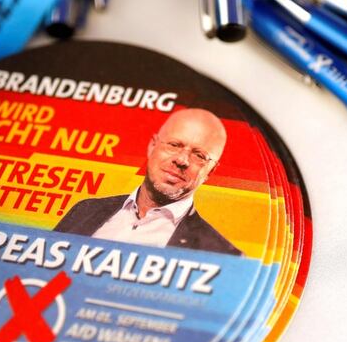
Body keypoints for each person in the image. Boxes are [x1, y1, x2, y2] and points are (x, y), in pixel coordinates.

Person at [54, 108, 242, 256]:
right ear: (152, 146)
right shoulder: (85, 210)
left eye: (199, 155)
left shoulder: (221, 254)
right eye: (174, 145)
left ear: (211, 171)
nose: (182, 160)